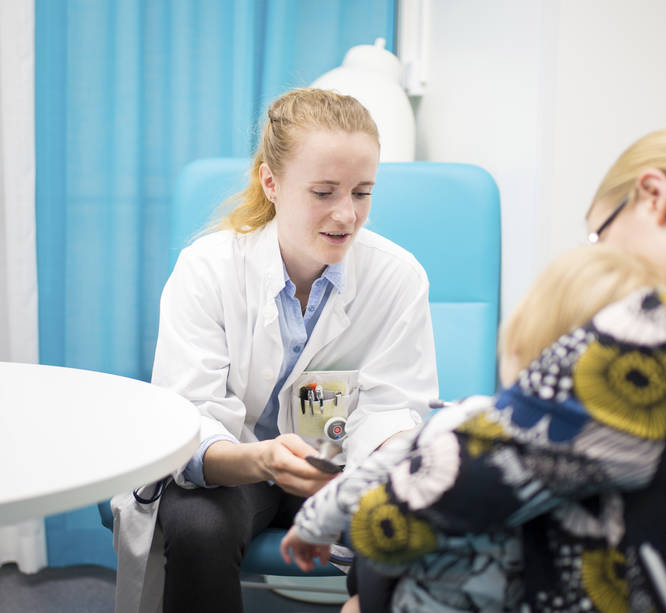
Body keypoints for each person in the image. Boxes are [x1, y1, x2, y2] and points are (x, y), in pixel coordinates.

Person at [281, 125, 666, 612]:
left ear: (653, 196)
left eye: (599, 238)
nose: (603, 266)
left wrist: (361, 563)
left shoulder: (664, 332)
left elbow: (443, 486)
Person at [110, 88, 438, 613]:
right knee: (198, 524)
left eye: (362, 193)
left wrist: (356, 470)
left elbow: (394, 408)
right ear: (272, 182)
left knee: (397, 519)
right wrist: (259, 458)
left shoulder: (397, 278)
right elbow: (191, 416)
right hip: (239, 470)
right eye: (325, 192)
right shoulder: (209, 269)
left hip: (344, 470)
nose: (346, 215)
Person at [281, 243, 661, 612]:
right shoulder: (643, 453)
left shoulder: (472, 424)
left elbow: (374, 474)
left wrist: (313, 525)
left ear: (523, 338)